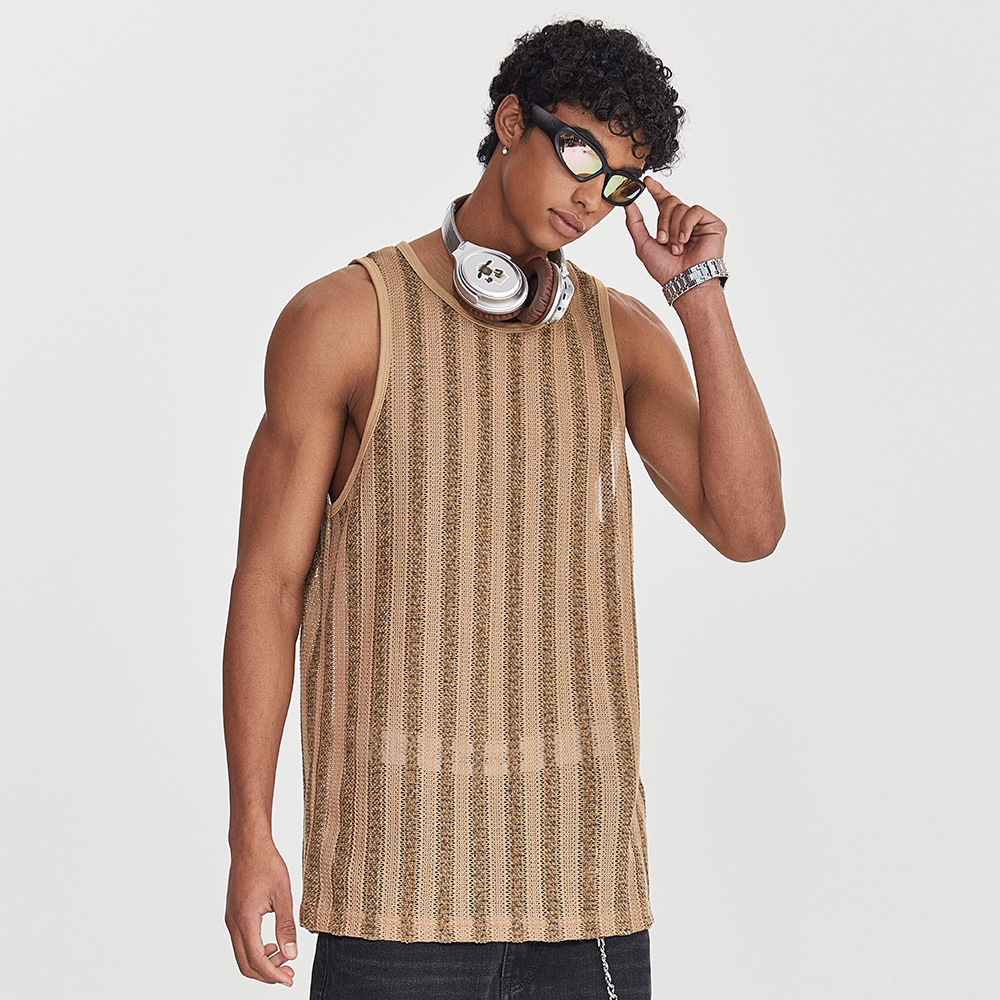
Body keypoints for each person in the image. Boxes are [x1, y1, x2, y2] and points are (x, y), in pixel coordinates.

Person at [223, 18, 784, 998]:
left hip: (586, 891)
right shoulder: (345, 319)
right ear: (512, 121)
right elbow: (268, 586)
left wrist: (699, 295)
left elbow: (750, 528)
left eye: (621, 182)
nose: (592, 197)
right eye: (581, 154)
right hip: (393, 890)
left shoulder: (622, 336)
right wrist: (250, 834)